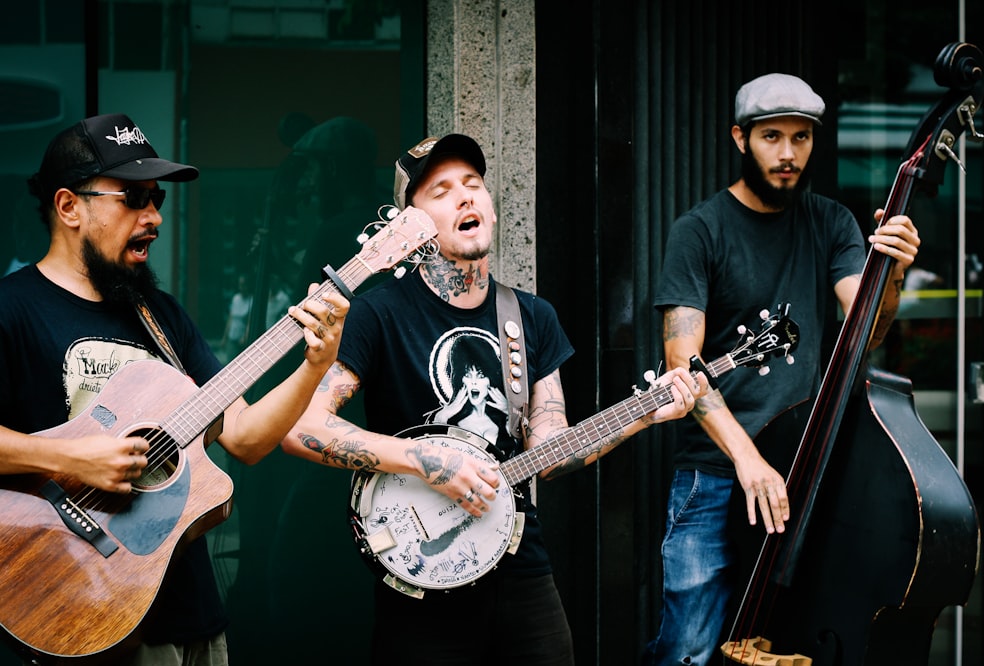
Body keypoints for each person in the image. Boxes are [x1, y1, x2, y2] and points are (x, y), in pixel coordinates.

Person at [280, 133, 706, 665]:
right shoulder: (377, 315)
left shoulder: (530, 317)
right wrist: (425, 461)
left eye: (473, 184)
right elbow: (299, 427)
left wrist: (645, 415)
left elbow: (550, 449)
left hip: (519, 566)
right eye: (440, 191)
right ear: (407, 227)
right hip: (419, 571)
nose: (464, 197)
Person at [0, 112, 349, 666]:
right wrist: (73, 458)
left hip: (189, 615)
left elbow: (246, 438)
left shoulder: (159, 316)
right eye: (133, 199)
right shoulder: (11, 310)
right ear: (69, 206)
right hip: (80, 603)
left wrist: (315, 364)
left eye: (157, 199)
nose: (154, 217)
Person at [644, 73, 921, 665]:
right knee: (689, 650)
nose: (789, 154)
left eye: (801, 138)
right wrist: (749, 462)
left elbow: (864, 331)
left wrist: (891, 272)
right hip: (717, 476)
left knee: (790, 645)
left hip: (804, 473)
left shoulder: (831, 222)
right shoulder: (699, 231)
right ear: (740, 139)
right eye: (773, 137)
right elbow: (681, 365)